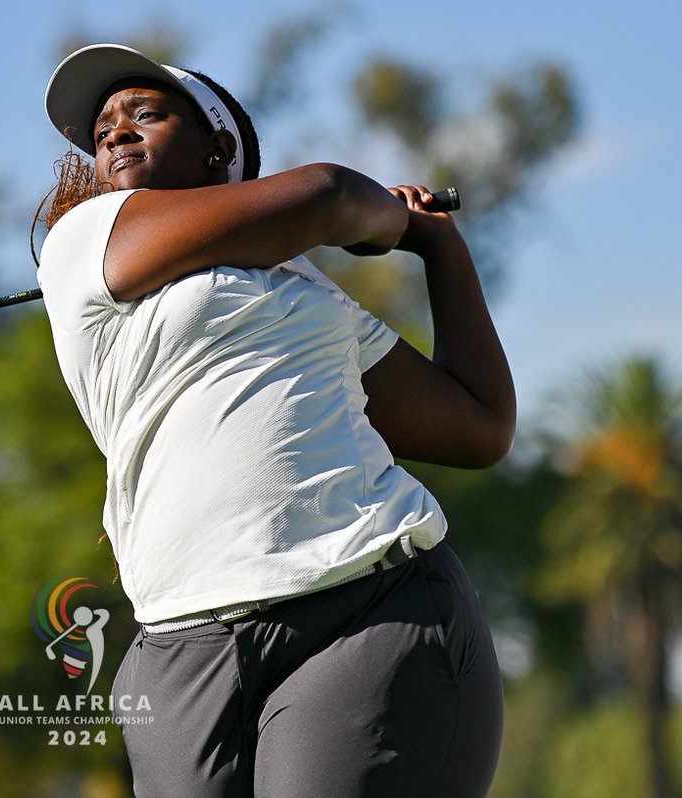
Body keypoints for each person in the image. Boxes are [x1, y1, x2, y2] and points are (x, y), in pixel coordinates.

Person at [34, 43, 514, 797]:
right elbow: (326, 194)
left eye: (146, 115)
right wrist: (380, 216)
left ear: (218, 149)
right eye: (103, 132)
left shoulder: (307, 292)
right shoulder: (85, 239)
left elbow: (480, 425)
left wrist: (436, 244)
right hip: (178, 642)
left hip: (368, 603)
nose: (116, 135)